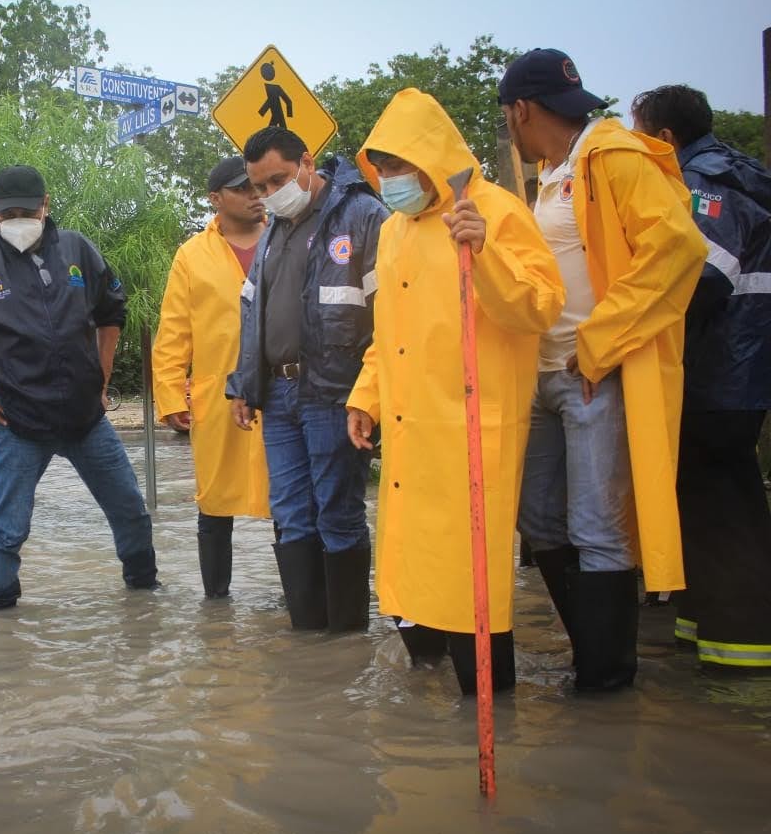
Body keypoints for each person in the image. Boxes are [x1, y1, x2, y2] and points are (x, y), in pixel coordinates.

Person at [499, 49, 707, 691]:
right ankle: (585, 653)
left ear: (521, 110)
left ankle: (605, 680)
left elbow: (678, 246)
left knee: (597, 527)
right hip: (539, 374)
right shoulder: (549, 170)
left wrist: (600, 343)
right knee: (537, 518)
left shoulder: (612, 154)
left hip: (593, 372)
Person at [346, 88, 564, 694]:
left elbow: (539, 308)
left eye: (397, 165)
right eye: (380, 167)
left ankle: (494, 708)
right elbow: (387, 332)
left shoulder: (494, 208)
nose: (388, 178)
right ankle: (424, 724)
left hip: (473, 432)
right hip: (412, 440)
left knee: (477, 587)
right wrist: (367, 397)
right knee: (415, 581)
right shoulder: (393, 231)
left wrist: (484, 250)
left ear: (432, 156)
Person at [0, 165, 159, 609]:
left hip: (85, 420)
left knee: (132, 512)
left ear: (46, 206)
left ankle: (145, 597)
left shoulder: (78, 250)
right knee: (8, 530)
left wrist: (102, 378)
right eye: (8, 213)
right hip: (15, 421)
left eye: (27, 210)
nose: (17, 219)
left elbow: (111, 311)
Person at [632, 84, 771, 671]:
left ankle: (740, 651)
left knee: (723, 506)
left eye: (640, 133)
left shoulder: (699, 183)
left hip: (721, 372)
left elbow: (698, 276)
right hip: (736, 370)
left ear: (665, 137)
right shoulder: (739, 173)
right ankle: (701, 628)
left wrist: (632, 326)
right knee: (708, 497)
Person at [227, 127, 388, 631]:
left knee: (337, 514)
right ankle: (307, 642)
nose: (268, 193)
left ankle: (345, 641)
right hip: (278, 394)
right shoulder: (276, 227)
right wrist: (244, 384)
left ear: (307, 161)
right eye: (258, 186)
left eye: (277, 178)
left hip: (335, 392)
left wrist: (370, 395)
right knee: (292, 514)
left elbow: (391, 315)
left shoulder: (362, 215)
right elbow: (253, 309)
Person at [152, 156, 271, 599]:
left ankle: (298, 604)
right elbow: (174, 332)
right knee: (216, 500)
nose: (255, 195)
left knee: (288, 496)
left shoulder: (285, 238)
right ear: (215, 199)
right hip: (218, 396)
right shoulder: (192, 255)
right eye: (243, 188)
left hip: (283, 391)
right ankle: (216, 606)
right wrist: (170, 397)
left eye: (258, 187)